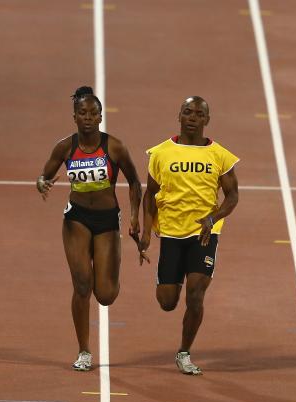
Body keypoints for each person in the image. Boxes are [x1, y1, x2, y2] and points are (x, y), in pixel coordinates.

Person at [37, 86, 143, 371]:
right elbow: (43, 176)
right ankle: (84, 350)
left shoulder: (115, 147)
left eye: (93, 113)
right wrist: (42, 184)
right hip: (77, 219)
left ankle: (107, 268)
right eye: (82, 113)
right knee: (82, 285)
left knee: (105, 295)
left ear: (100, 117)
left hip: (108, 219)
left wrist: (134, 217)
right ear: (74, 117)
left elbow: (135, 182)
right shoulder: (64, 147)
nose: (87, 117)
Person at [138, 96, 239, 375]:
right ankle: (174, 275)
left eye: (198, 113)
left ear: (207, 120)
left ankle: (184, 352)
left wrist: (213, 218)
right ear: (178, 116)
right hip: (171, 231)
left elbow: (232, 197)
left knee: (195, 295)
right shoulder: (160, 153)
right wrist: (147, 231)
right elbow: (150, 194)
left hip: (204, 232)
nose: (192, 117)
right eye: (187, 112)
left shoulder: (220, 156)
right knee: (167, 302)